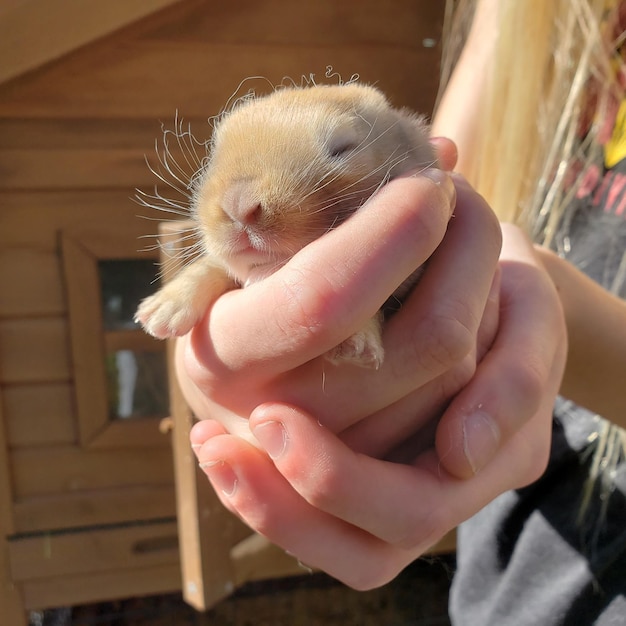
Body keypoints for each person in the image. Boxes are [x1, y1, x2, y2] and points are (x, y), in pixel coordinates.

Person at [179, 0, 625, 622]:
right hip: (504, 589)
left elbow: (458, 250)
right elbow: (446, 205)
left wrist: (546, 308)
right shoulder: (525, 16)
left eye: (336, 151)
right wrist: (235, 352)